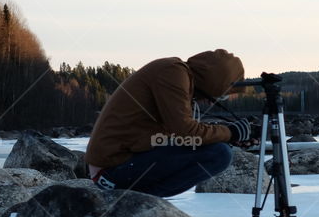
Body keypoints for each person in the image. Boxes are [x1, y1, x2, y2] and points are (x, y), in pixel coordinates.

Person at [85, 49, 253, 197]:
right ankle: (143, 201)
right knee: (219, 154)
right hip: (111, 171)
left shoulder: (178, 76)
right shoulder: (173, 72)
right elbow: (185, 132)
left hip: (121, 163)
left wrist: (228, 136)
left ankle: (145, 201)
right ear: (214, 82)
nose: (214, 102)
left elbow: (182, 136)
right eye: (221, 95)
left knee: (218, 148)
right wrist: (230, 133)